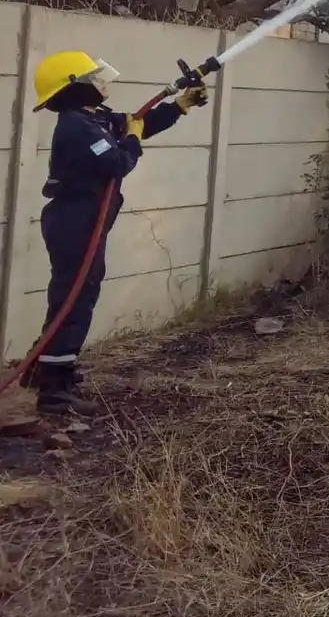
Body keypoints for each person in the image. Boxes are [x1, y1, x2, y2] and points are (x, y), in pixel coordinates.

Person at [22, 51, 210, 416]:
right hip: (75, 222)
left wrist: (181, 105)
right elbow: (117, 161)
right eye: (93, 78)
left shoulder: (94, 119)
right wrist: (134, 139)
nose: (102, 82)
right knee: (76, 298)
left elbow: (136, 124)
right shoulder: (76, 126)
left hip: (84, 220)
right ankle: (54, 392)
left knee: (70, 297)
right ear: (76, 87)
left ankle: (42, 368)